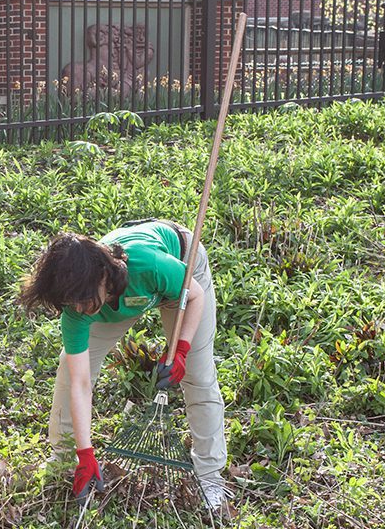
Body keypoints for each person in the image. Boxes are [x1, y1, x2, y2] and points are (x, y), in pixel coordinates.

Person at [18, 219, 233, 516]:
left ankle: (210, 476)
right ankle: (66, 460)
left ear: (103, 275)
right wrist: (85, 453)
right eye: (71, 303)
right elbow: (80, 383)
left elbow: (193, 295)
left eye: (82, 300)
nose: (79, 309)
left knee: (198, 375)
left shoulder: (148, 265)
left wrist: (180, 349)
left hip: (183, 275)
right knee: (70, 369)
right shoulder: (78, 306)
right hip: (118, 297)